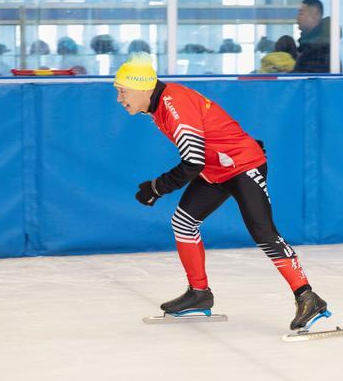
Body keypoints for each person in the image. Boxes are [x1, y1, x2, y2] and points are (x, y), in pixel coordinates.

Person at [113, 52, 327, 330]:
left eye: (122, 91)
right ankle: (199, 294)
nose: (119, 99)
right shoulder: (159, 104)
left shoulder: (173, 104)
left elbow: (192, 161)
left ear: (143, 88)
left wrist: (157, 187)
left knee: (263, 232)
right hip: (216, 169)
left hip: (242, 165)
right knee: (183, 222)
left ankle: (308, 297)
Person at [293, 0, 331, 73]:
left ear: (315, 16)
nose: (297, 18)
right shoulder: (307, 44)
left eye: (301, 14)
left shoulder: (321, 47)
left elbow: (308, 77)